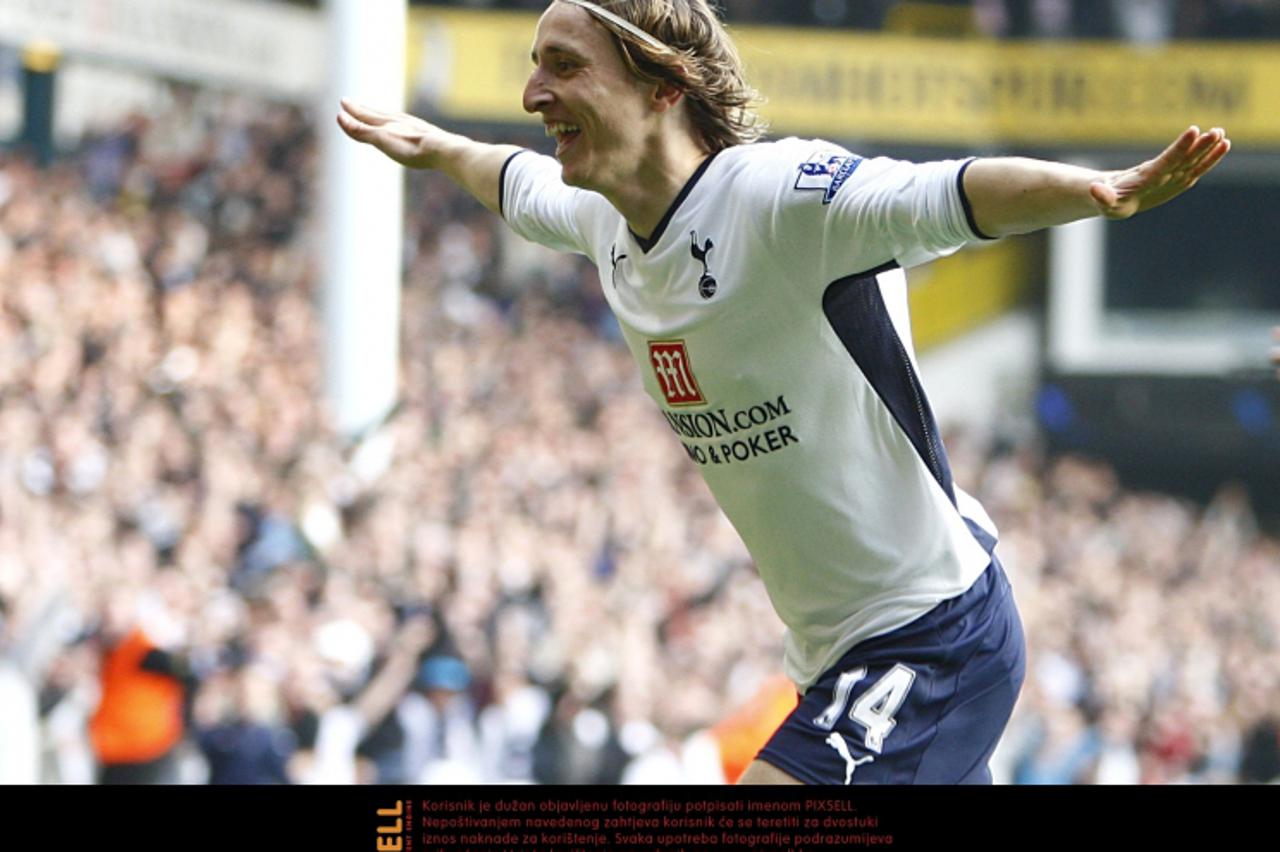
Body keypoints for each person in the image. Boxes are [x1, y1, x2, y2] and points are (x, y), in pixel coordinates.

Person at [337, 0, 1230, 784]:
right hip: (834, 651)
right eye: (535, 65)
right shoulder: (600, 219)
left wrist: (1096, 191)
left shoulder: (779, 199)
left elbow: (948, 195)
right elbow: (506, 177)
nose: (532, 93)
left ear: (663, 86)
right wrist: (428, 145)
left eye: (564, 65)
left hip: (931, 632)